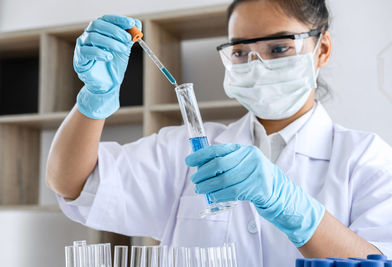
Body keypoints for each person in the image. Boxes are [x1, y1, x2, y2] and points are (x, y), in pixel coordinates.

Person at [46, 0, 392, 266]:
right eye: (240, 51)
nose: (257, 65)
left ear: (323, 49)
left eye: (278, 48)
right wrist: (94, 101)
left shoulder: (366, 158)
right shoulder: (185, 150)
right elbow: (74, 182)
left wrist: (292, 207)